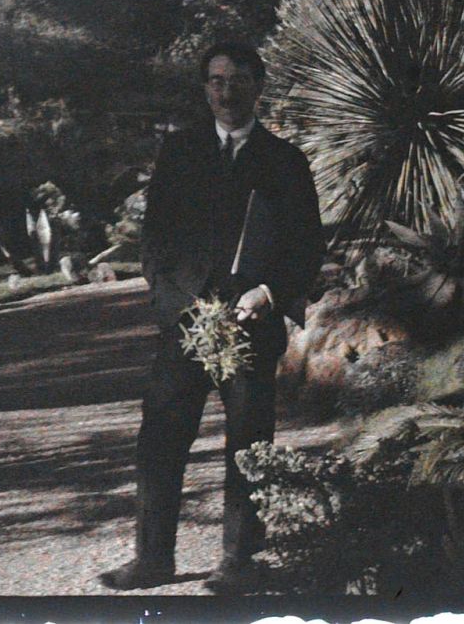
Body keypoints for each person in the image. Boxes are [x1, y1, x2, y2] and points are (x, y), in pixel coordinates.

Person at [100, 40, 325, 595]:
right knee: (160, 441)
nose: (227, 92)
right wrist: (173, 305)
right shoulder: (180, 152)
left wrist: (268, 294)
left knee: (249, 443)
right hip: (184, 324)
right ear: (205, 89)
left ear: (259, 87)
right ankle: (153, 559)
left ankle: (238, 562)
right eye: (217, 81)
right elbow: (155, 241)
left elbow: (307, 246)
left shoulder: (285, 161)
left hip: (252, 325)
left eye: (239, 80)